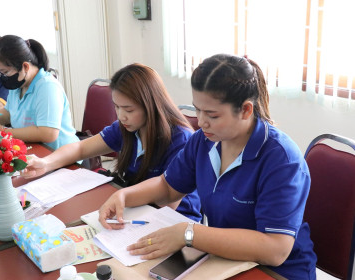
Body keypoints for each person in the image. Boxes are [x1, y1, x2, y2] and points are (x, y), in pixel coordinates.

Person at [97, 55, 317, 279]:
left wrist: (189, 233)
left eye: (212, 115)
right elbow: (169, 186)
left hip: (275, 272)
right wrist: (125, 196)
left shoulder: (281, 159)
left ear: (246, 110)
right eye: (198, 110)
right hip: (225, 259)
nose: (201, 122)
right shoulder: (204, 141)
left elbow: (275, 250)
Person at [22, 63, 202, 222]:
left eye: (129, 109)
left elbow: (168, 203)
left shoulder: (180, 139)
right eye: (116, 107)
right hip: (134, 209)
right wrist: (46, 163)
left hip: (174, 220)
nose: (121, 116)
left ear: (151, 105)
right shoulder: (127, 128)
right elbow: (81, 148)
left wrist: (124, 197)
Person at [0, 35, 78, 150]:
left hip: (60, 155)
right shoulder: (18, 84)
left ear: (25, 67)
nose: (2, 77)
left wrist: (3, 131)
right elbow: (8, 113)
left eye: (4, 72)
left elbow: (48, 133)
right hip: (33, 151)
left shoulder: (47, 87)